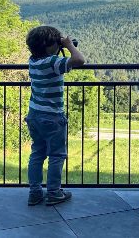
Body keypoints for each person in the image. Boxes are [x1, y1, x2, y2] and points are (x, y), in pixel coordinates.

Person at [24, 25, 86, 206]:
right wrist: (68, 46)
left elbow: (52, 56)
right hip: (52, 117)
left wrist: (59, 46)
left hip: (34, 115)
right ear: (49, 46)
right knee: (57, 155)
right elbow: (80, 60)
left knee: (37, 153)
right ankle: (54, 192)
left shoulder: (32, 61)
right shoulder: (53, 62)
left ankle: (35, 192)